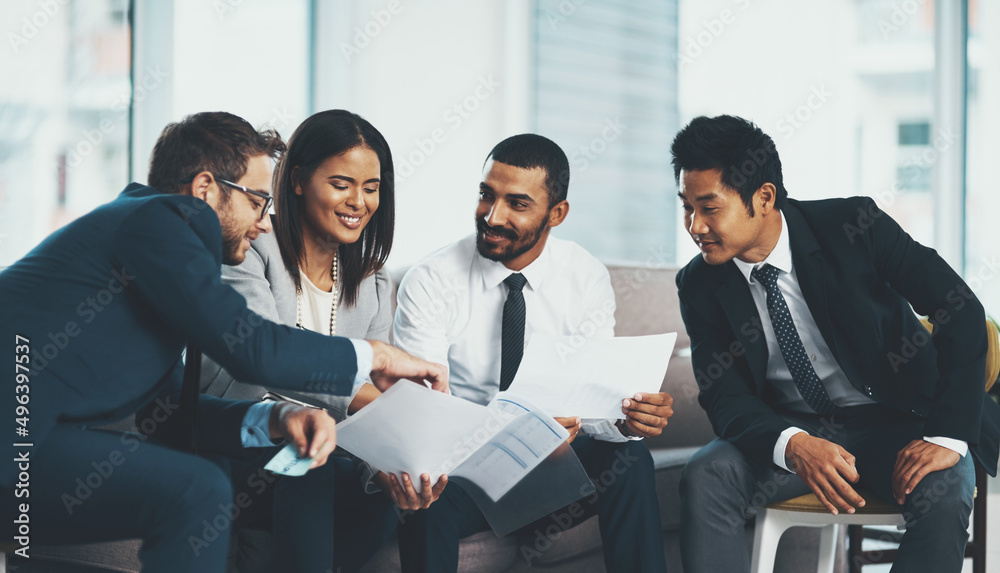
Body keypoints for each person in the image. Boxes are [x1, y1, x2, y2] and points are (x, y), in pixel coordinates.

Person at [0, 111, 447, 573]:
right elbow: (253, 347)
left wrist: (275, 416)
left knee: (192, 489)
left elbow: (167, 408)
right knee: (195, 490)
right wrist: (376, 355)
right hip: (19, 443)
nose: (264, 222)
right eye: (257, 201)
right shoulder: (156, 219)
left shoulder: (151, 256)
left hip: (37, 448)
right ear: (205, 190)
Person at [672, 115, 1000, 573]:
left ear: (763, 197)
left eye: (709, 208)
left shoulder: (854, 225)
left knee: (944, 487)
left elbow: (958, 308)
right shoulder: (699, 283)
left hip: (898, 419)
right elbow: (724, 395)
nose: (694, 226)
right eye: (686, 207)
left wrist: (947, 434)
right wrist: (794, 444)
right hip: (796, 429)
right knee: (708, 474)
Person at [393, 133, 672, 572]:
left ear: (556, 213)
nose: (492, 215)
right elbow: (425, 419)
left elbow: (594, 401)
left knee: (630, 456)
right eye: (487, 195)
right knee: (428, 491)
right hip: (467, 474)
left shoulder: (584, 277)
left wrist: (624, 417)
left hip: (553, 469)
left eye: (517, 204)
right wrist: (518, 433)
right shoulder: (430, 281)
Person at [198, 109, 443, 571]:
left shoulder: (371, 280)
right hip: (242, 439)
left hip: (325, 454)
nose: (359, 202)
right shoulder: (249, 245)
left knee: (388, 484)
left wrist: (395, 460)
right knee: (314, 460)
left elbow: (369, 397)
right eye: (341, 184)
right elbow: (265, 355)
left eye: (371, 188)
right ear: (296, 181)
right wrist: (373, 403)